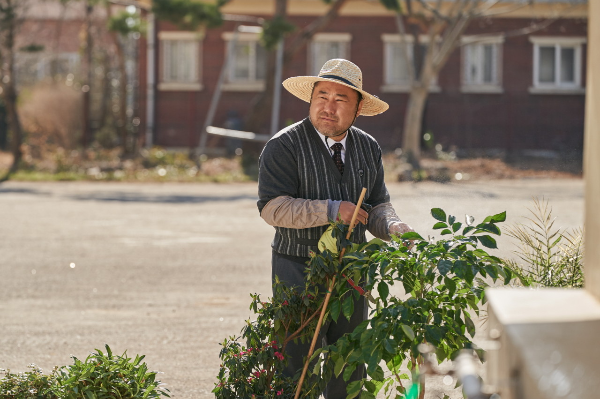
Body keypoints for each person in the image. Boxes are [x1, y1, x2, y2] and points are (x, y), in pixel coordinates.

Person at [257, 59, 413, 398]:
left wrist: (394, 226)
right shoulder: (284, 146)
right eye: (321, 96)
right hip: (298, 267)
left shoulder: (368, 147)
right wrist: (331, 210)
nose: (328, 107)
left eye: (340, 100)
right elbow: (273, 209)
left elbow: (377, 204)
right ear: (310, 99)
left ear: (358, 109)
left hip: (352, 272)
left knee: (350, 357)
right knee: (297, 361)